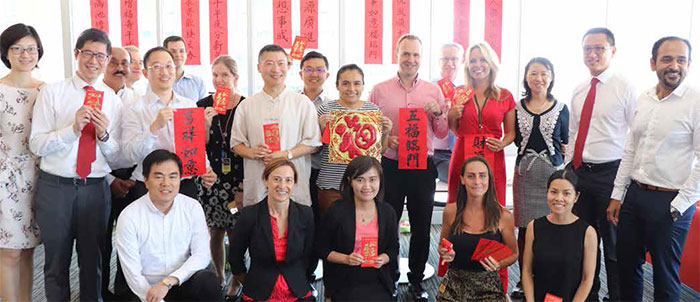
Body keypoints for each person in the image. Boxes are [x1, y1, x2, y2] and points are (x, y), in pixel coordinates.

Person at [30, 28, 122, 301]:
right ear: (76, 54)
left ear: (107, 60)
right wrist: (72, 130)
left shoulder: (112, 100)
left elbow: (116, 156)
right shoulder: (52, 92)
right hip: (55, 187)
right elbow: (37, 144)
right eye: (88, 53)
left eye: (101, 56)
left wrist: (104, 135)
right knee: (56, 262)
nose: (94, 61)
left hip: (95, 188)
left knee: (93, 262)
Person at [607, 36, 699, 302]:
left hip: (672, 201)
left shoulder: (696, 102)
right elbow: (631, 149)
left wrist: (679, 204)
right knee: (627, 267)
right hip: (635, 196)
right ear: (653, 63)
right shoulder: (644, 99)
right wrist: (617, 194)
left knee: (664, 275)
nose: (674, 66)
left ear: (689, 64)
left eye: (681, 60)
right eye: (667, 59)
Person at [368, 34, 447, 301]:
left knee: (421, 225)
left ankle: (416, 280)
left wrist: (438, 113)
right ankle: (388, 278)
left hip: (422, 167)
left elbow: (442, 131)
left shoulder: (433, 90)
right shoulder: (379, 90)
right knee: (388, 223)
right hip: (390, 165)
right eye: (405, 54)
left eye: (415, 55)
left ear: (421, 58)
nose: (410, 60)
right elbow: (369, 130)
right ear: (397, 54)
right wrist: (385, 137)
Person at [566, 27, 636, 302]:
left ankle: (616, 296)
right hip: (581, 173)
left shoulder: (625, 87)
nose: (592, 54)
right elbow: (573, 133)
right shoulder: (579, 89)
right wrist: (569, 170)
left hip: (611, 174)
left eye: (599, 48)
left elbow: (636, 136)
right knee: (584, 240)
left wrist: (624, 183)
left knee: (612, 244)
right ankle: (589, 294)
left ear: (613, 51)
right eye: (587, 49)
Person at [447, 42, 515, 290]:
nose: (477, 65)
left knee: (493, 209)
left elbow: (510, 133)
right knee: (459, 205)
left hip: (492, 158)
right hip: (463, 155)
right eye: (473, 61)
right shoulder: (460, 93)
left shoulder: (504, 95)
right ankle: (455, 267)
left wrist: (502, 143)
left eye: (482, 60)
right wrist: (452, 113)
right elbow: (453, 129)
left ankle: (496, 274)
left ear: (491, 64)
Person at [115, 149, 221, 302]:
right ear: (145, 180)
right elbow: (133, 274)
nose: (166, 183)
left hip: (180, 281)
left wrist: (169, 281)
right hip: (146, 289)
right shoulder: (129, 216)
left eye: (173, 176)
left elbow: (202, 255)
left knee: (207, 282)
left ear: (180, 179)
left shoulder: (191, 207)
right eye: (158, 176)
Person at [230, 44, 321, 207]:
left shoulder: (302, 102)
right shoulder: (247, 105)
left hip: (293, 184)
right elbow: (236, 144)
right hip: (258, 182)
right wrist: (252, 152)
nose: (276, 69)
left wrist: (287, 154)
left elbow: (313, 143)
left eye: (281, 63)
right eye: (269, 63)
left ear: (288, 66)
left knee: (294, 227)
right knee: (259, 226)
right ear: (259, 67)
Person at [121, 46, 217, 200]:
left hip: (184, 184)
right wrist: (153, 128)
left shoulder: (189, 105)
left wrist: (206, 168)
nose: (164, 72)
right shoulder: (135, 109)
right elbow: (129, 154)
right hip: (149, 186)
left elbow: (195, 145)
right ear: (145, 73)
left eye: (168, 66)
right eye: (157, 67)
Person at [511, 57, 569, 297]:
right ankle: (524, 279)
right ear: (526, 77)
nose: (539, 78)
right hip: (525, 174)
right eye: (534, 73)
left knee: (552, 228)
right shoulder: (516, 107)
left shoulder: (561, 108)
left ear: (552, 77)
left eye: (544, 73)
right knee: (525, 231)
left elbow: (565, 141)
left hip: (551, 175)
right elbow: (515, 139)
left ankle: (547, 278)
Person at [0, 23, 44, 302]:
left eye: (30, 48)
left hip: (40, 177)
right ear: (6, 53)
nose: (25, 54)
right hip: (5, 177)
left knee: (28, 249)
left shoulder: (47, 91)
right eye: (17, 48)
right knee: (9, 250)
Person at [228, 159, 315, 301]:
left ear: (294, 183)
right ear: (265, 180)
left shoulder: (306, 214)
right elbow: (235, 256)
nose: (282, 185)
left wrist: (299, 278)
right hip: (258, 289)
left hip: (297, 290)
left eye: (288, 180)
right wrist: (249, 281)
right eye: (276, 179)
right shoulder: (250, 215)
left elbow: (310, 255)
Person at [196, 54, 245, 300]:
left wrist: (242, 185)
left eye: (224, 75)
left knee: (236, 231)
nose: (219, 80)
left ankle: (236, 280)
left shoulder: (245, 105)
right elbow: (198, 146)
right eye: (215, 75)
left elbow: (248, 144)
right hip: (211, 179)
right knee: (215, 229)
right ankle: (218, 275)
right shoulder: (203, 104)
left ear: (235, 77)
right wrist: (206, 123)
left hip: (236, 182)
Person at [316, 156, 398, 301]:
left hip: (377, 276)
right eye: (360, 180)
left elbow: (393, 248)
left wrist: (383, 259)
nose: (367, 186)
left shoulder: (387, 212)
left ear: (380, 181)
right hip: (345, 276)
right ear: (350, 181)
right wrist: (346, 259)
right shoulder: (336, 211)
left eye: (372, 179)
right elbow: (321, 248)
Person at [437, 156, 517, 302]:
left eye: (482, 176)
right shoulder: (450, 211)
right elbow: (442, 245)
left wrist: (499, 264)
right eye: (471, 176)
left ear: (489, 179)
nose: (477, 181)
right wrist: (444, 252)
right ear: (462, 180)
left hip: (488, 286)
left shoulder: (503, 215)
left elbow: (513, 253)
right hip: (454, 284)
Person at [316, 64, 392, 213]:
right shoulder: (326, 110)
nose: (351, 88)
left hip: (365, 185)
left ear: (363, 85)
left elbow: (379, 151)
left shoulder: (373, 110)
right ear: (337, 86)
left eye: (356, 83)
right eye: (345, 83)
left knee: (362, 229)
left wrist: (386, 133)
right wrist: (321, 129)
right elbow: (316, 149)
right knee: (331, 229)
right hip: (332, 183)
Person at [100, 46, 141, 300]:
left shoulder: (138, 99)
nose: (120, 67)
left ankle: (126, 293)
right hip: (100, 178)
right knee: (99, 242)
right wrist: (110, 179)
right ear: (104, 63)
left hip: (133, 178)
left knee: (131, 241)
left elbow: (146, 142)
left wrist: (133, 177)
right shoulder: (93, 97)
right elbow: (87, 146)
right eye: (113, 61)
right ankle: (100, 291)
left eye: (125, 63)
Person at [521, 169, 597, 302]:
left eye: (566, 193)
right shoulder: (534, 226)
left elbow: (587, 279)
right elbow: (526, 271)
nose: (558, 198)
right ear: (547, 193)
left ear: (576, 197)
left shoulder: (587, 232)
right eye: (554, 192)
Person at [298, 50, 333, 282]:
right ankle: (305, 272)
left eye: (319, 69)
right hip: (298, 171)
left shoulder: (334, 106)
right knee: (301, 222)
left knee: (324, 223)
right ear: (301, 73)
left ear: (327, 75)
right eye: (309, 69)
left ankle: (328, 271)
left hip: (324, 172)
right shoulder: (291, 102)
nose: (314, 74)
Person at [432, 43, 464, 183]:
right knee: (457, 178)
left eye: (454, 59)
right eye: (445, 59)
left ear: (461, 61)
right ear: (439, 61)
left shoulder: (467, 89)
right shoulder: (430, 88)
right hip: (437, 154)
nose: (449, 63)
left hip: (462, 150)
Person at [163, 36, 207, 101]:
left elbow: (204, 108)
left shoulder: (198, 82)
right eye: (173, 51)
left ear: (186, 54)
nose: (178, 55)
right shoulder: (157, 82)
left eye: (181, 51)